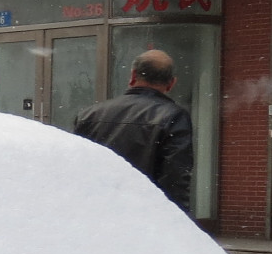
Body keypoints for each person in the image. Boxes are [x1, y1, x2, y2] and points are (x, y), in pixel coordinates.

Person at [74, 48, 194, 213]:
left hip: (97, 211)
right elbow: (175, 177)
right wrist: (177, 221)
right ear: (171, 83)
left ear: (132, 76)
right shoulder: (174, 117)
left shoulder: (89, 114)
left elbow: (79, 170)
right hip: (144, 214)